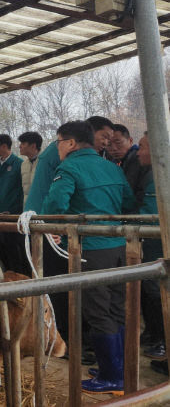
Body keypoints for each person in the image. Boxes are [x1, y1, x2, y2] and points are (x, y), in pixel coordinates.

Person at [41, 121, 135, 394]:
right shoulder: (110, 166)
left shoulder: (69, 167)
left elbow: (56, 205)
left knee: (97, 311)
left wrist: (54, 224)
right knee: (117, 308)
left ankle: (111, 376)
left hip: (91, 249)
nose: (57, 146)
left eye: (58, 141)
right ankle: (119, 367)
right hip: (120, 247)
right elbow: (128, 203)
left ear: (70, 143)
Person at [132, 133, 166, 374]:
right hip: (157, 243)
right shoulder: (152, 173)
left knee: (157, 292)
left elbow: (152, 217)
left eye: (142, 147)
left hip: (157, 245)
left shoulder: (158, 176)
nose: (138, 152)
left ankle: (163, 344)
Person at [0, 134, 28, 275]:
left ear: (4, 146)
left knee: (17, 251)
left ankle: (22, 278)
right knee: (0, 249)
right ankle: (8, 277)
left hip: (14, 217)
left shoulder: (19, 164)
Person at [110, 124, 144, 200]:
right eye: (109, 144)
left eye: (118, 142)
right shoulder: (116, 162)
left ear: (130, 141)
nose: (114, 148)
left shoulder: (137, 158)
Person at [18, 131, 42, 207]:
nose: (20, 146)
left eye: (23, 143)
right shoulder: (23, 164)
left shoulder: (45, 163)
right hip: (27, 208)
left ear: (33, 146)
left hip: (42, 209)